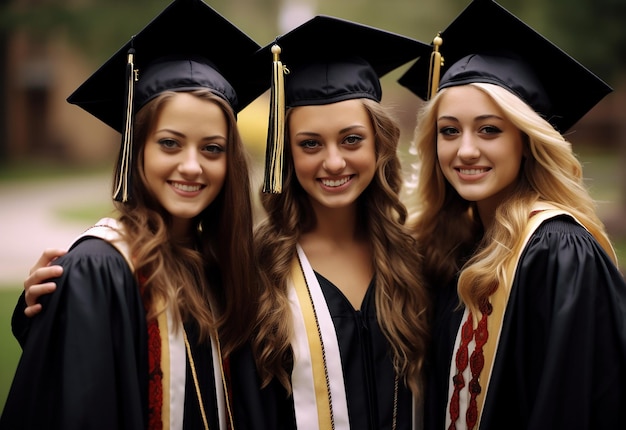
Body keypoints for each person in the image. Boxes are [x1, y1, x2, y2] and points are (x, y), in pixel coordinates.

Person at [0, 0, 269, 428]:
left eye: (212, 148)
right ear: (135, 150)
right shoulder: (98, 270)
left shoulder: (221, 268)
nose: (192, 166)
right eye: (170, 143)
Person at [397, 0, 626, 429]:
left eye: (490, 129)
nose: (465, 150)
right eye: (449, 131)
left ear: (527, 140)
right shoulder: (457, 245)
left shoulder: (558, 252)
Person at [237, 16, 432, 430]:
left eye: (351, 139)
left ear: (380, 144)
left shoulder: (415, 259)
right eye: (310, 144)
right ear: (286, 154)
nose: (334, 162)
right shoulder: (257, 269)